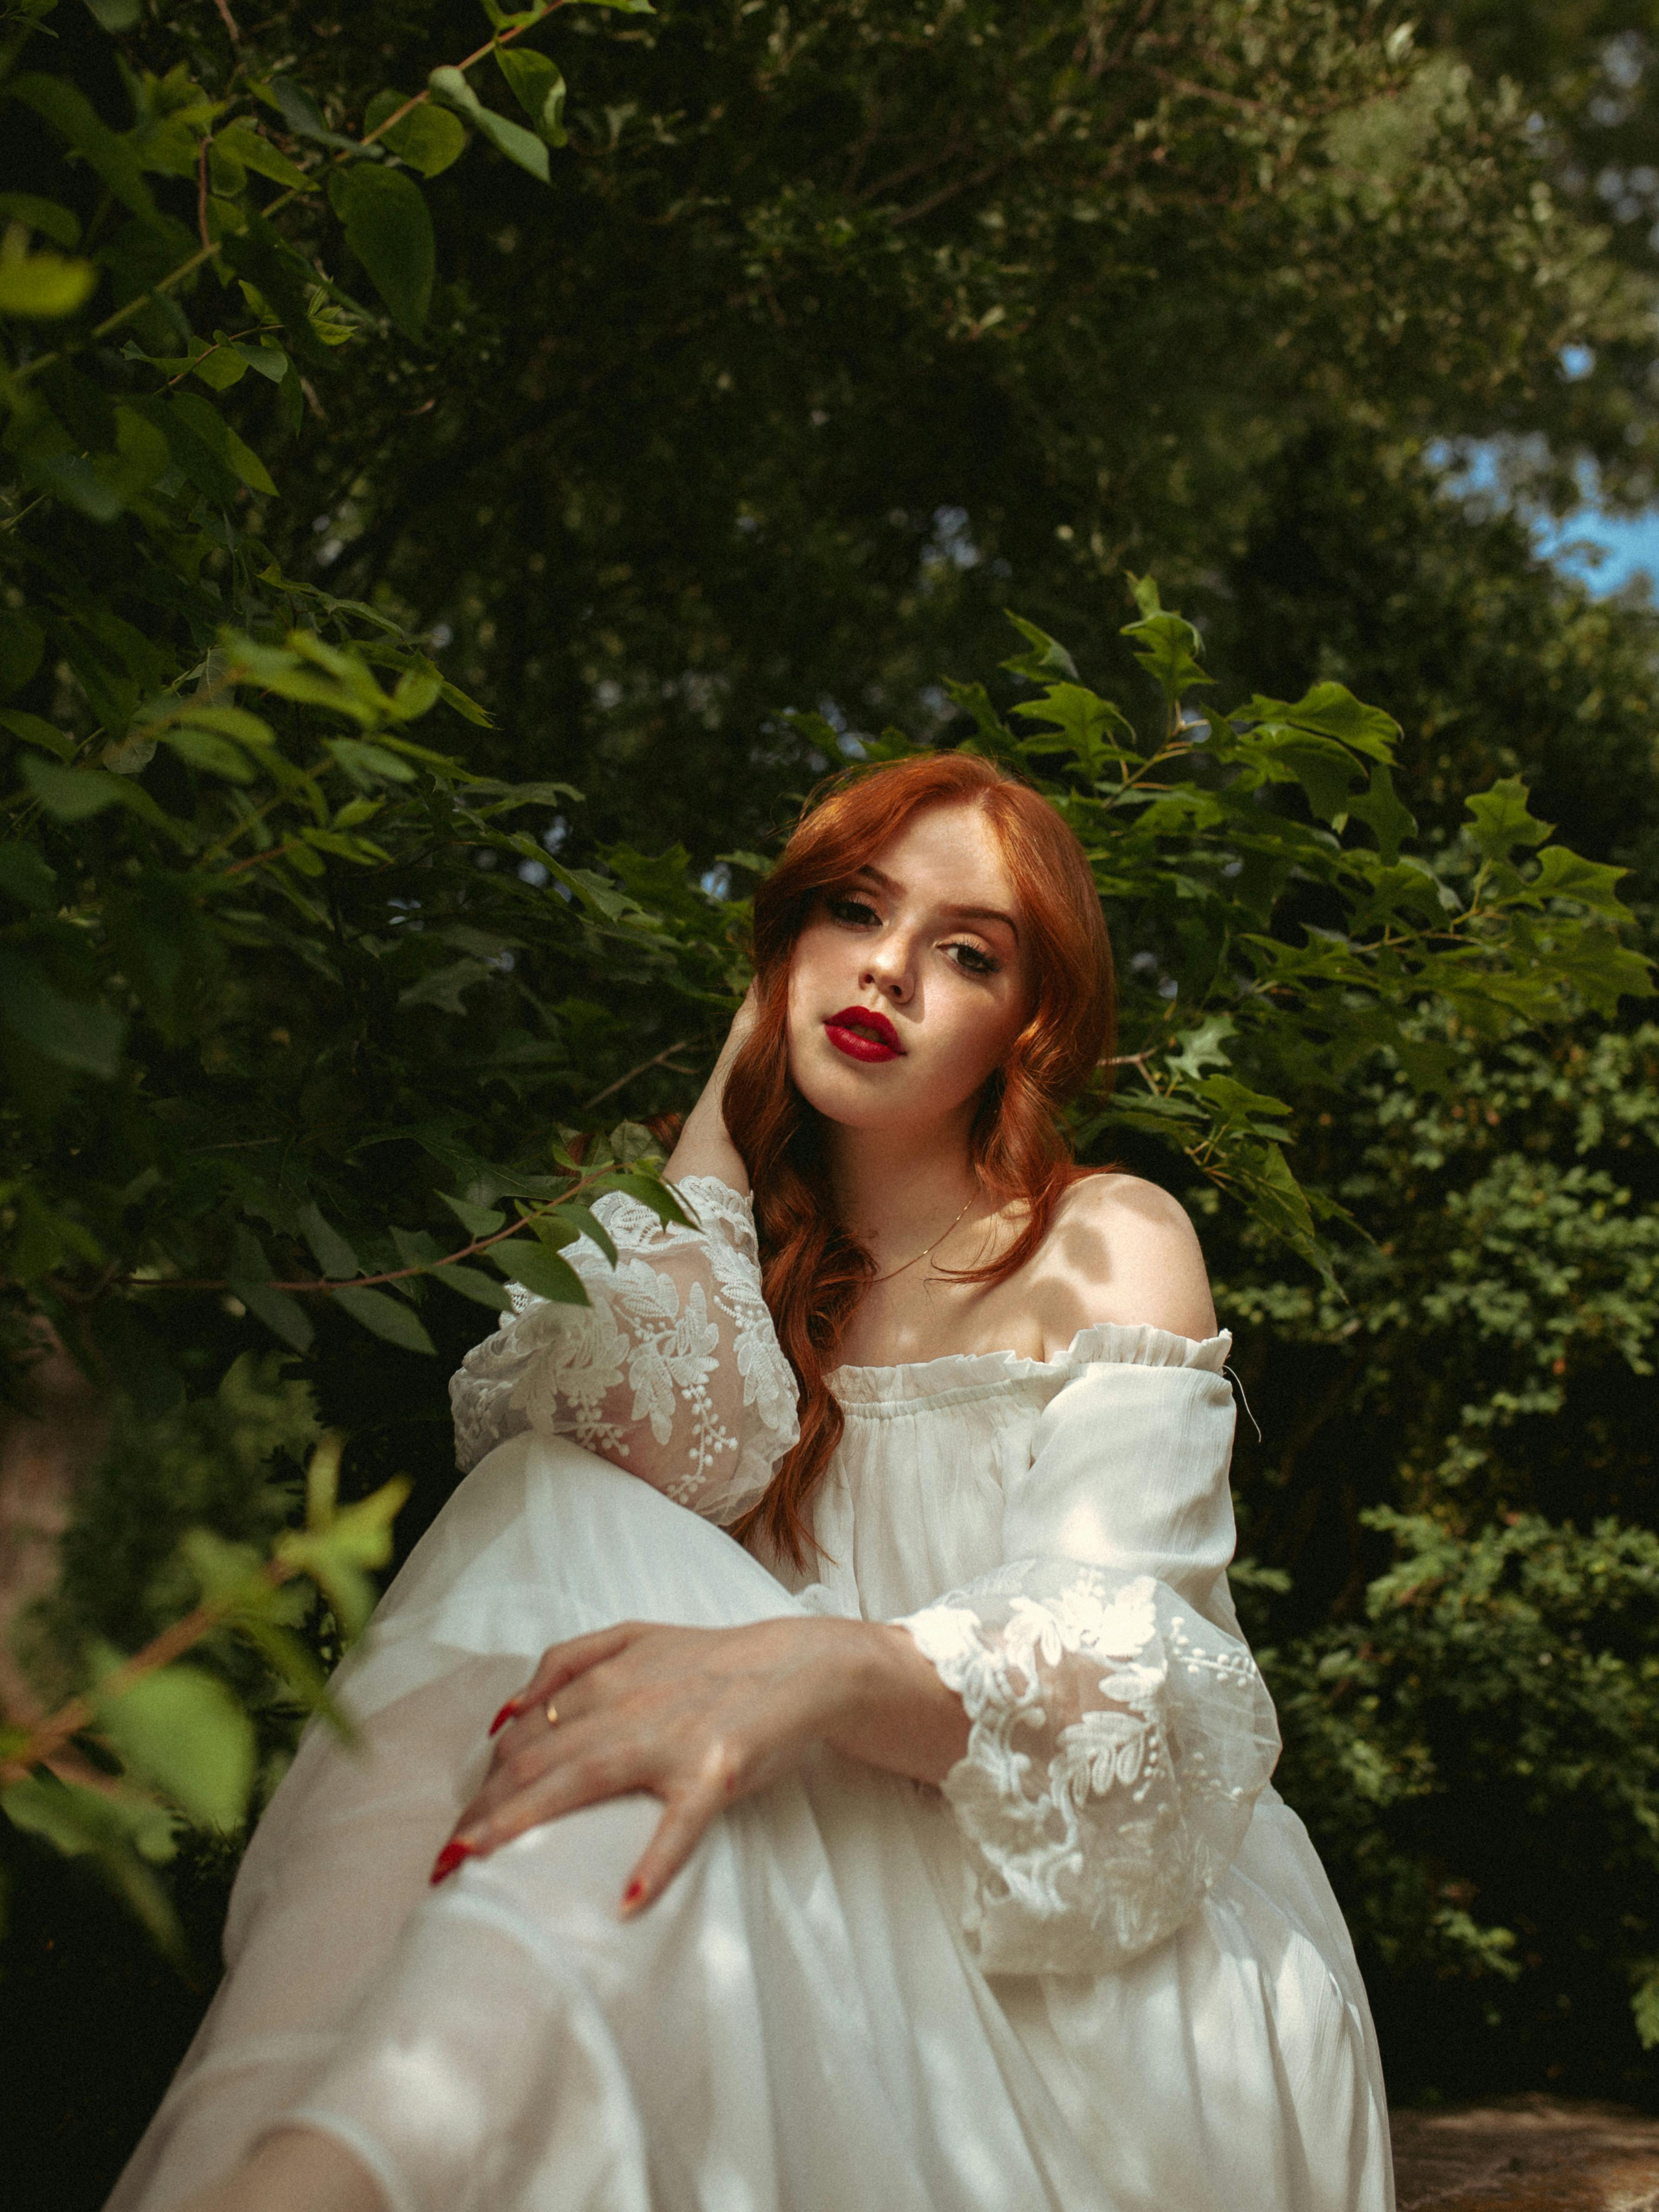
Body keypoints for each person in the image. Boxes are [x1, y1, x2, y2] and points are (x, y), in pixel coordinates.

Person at [113, 750, 1394, 2212]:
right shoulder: (739, 1298)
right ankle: (282, 2173)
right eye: (851, 911)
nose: (888, 970)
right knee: (559, 1542)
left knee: (618, 1729)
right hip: (767, 1859)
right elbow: (614, 1468)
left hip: (1089, 1968)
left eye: (963, 951)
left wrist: (820, 1672)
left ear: (1023, 1026)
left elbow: (1131, 1685)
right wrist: (730, 1095)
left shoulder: (1101, 1238)